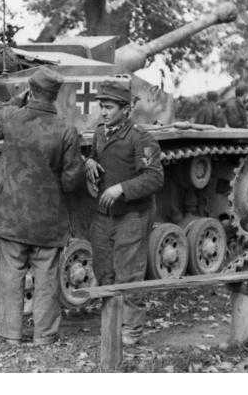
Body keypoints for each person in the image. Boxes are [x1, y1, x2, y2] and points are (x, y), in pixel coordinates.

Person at [0, 66, 84, 346]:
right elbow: (72, 181)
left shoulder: (13, 118)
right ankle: (44, 336)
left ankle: (10, 334)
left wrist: (14, 100)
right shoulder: (67, 131)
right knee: (46, 276)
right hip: (47, 219)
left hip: (11, 216)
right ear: (55, 96)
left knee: (11, 272)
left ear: (30, 91)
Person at [85, 80, 164, 345]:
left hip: (132, 215)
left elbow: (154, 178)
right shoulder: (100, 134)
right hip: (104, 216)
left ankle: (131, 329)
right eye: (101, 107)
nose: (103, 112)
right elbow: (97, 154)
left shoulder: (141, 138)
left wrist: (122, 187)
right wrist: (90, 161)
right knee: (104, 271)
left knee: (129, 273)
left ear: (125, 110)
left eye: (108, 107)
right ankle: (111, 324)